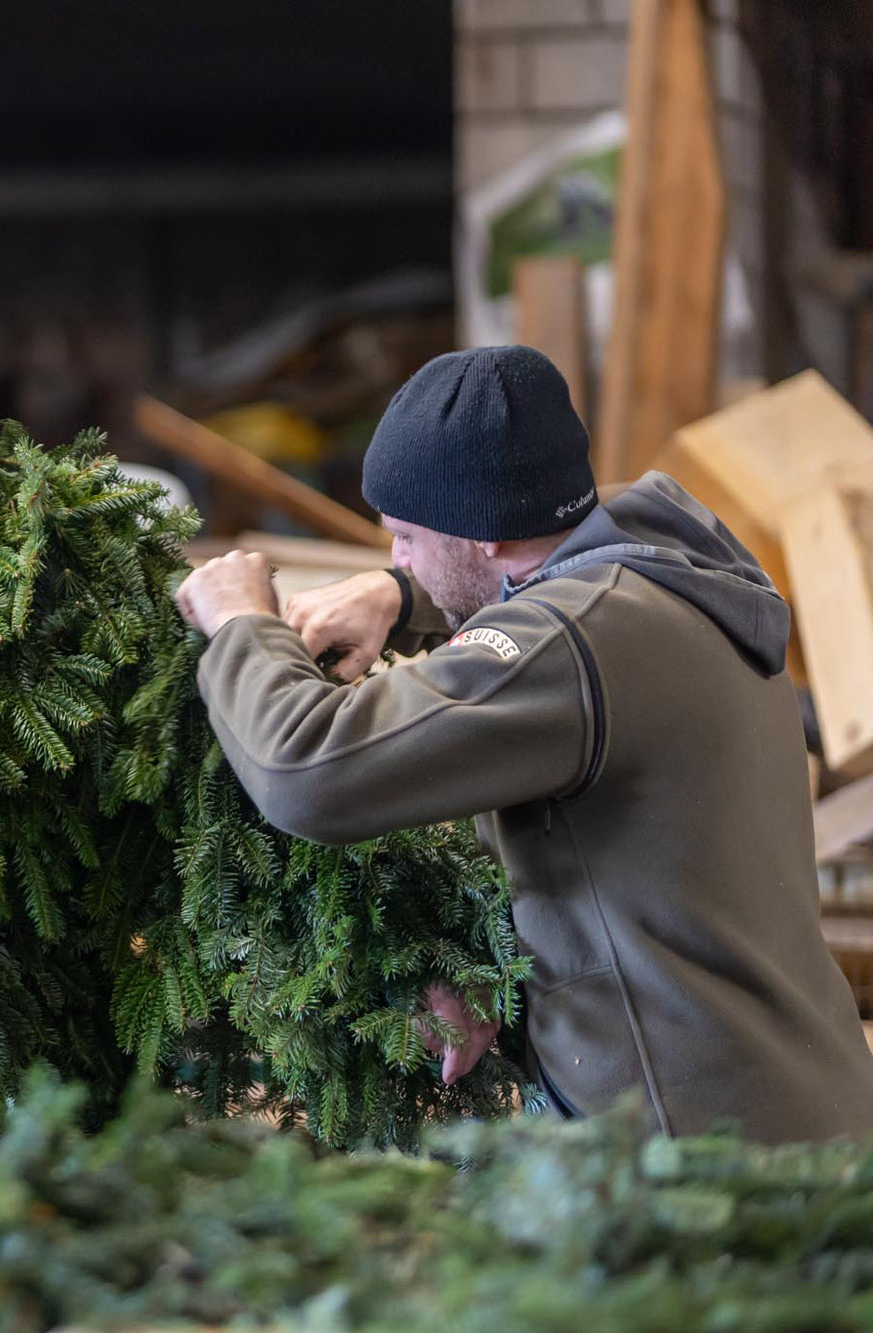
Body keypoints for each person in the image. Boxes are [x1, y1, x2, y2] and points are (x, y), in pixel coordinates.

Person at [173, 343, 873, 1142]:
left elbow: (307, 769)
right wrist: (401, 595)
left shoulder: (574, 642)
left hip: (703, 1164)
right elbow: (615, 863)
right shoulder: (662, 578)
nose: (394, 556)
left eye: (405, 537)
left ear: (489, 536)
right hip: (790, 1106)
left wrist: (241, 623)